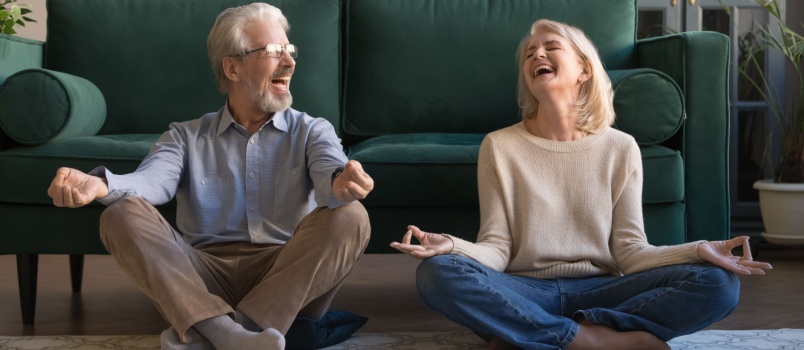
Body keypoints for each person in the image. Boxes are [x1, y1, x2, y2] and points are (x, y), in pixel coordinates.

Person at [391, 19, 771, 350]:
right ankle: (588, 340)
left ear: (584, 70)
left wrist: (699, 249)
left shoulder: (620, 147)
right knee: (438, 274)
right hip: (522, 289)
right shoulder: (500, 145)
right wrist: (452, 247)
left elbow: (631, 252)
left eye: (551, 47)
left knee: (719, 283)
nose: (537, 55)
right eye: (529, 53)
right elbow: (498, 249)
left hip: (603, 289)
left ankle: (527, 335)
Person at [47, 3, 373, 350]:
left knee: (352, 216)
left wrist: (341, 182)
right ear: (232, 67)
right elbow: (151, 182)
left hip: (286, 278)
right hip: (200, 278)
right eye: (273, 52)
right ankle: (232, 334)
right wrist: (100, 185)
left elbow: (330, 172)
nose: (290, 62)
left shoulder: (312, 131)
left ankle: (218, 332)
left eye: (288, 50)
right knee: (120, 213)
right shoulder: (184, 136)